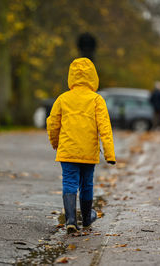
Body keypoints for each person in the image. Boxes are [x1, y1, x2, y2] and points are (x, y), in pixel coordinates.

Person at [46, 58, 116, 234]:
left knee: (69, 182)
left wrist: (55, 142)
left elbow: (53, 123)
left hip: (68, 151)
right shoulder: (96, 100)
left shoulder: (63, 98)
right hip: (88, 152)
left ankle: (70, 219)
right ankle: (86, 218)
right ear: (93, 77)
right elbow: (105, 128)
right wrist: (109, 154)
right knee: (86, 184)